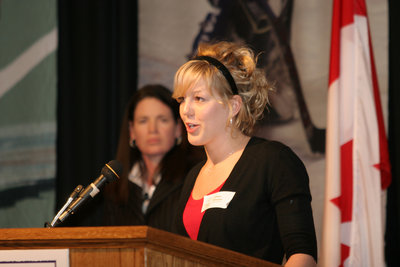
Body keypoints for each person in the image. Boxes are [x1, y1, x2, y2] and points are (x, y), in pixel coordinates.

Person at [171, 41, 317, 266]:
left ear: (233, 106)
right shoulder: (193, 176)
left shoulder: (274, 161)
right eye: (182, 99)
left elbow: (303, 255)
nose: (185, 110)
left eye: (199, 99)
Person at [102, 84, 204, 232]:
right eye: (143, 121)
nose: (152, 130)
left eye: (162, 120)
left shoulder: (195, 177)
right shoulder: (116, 185)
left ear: (177, 128)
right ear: (132, 131)